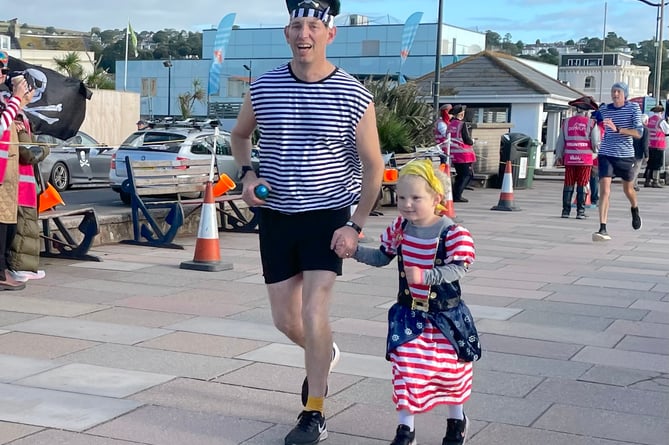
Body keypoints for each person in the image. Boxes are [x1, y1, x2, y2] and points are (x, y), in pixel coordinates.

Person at [229, 1, 384, 444]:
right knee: (286, 320)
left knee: (316, 311)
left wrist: (354, 225)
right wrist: (249, 173)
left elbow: (373, 167)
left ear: (329, 34)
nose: (304, 33)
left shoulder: (354, 94)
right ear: (286, 33)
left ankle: (314, 411)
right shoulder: (264, 87)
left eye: (314, 25)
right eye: (297, 25)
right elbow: (240, 136)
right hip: (277, 216)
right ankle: (325, 351)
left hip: (328, 216)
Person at [350, 159, 479, 445]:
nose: (407, 204)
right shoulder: (399, 228)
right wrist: (354, 252)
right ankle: (405, 429)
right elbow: (382, 257)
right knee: (406, 371)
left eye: (416, 198)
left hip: (445, 317)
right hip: (409, 316)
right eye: (401, 197)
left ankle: (456, 420)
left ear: (436, 198)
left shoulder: (453, 233)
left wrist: (427, 276)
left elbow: (459, 267)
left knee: (451, 373)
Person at [0, 53, 35, 289]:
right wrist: (16, 98)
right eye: (0, 71)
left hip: (6, 174)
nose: (3, 75)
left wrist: (20, 103)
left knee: (7, 224)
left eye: (4, 71)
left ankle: (3, 270)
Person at [592, 82, 643, 242]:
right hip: (606, 153)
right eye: (613, 91)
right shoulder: (605, 109)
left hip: (625, 155)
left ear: (624, 94)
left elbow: (639, 133)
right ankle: (602, 227)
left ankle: (634, 209)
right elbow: (594, 118)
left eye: (618, 92)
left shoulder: (633, 108)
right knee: (605, 190)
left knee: (628, 190)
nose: (615, 95)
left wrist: (618, 129)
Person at [7, 114, 49, 281]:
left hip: (26, 184)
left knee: (27, 227)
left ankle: (25, 267)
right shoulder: (16, 120)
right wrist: (45, 148)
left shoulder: (22, 119)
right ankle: (20, 267)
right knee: (24, 228)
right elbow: (30, 153)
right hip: (20, 185)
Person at [554, 95, 601, 219]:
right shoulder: (591, 123)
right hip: (585, 159)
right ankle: (580, 211)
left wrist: (559, 156)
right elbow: (596, 142)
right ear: (587, 111)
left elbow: (560, 142)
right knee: (583, 184)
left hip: (569, 158)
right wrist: (595, 152)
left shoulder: (566, 122)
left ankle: (565, 211)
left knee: (568, 183)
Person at [447, 105, 476, 203]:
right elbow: (467, 139)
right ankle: (457, 195)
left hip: (454, 154)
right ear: (462, 114)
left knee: (460, 175)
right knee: (467, 175)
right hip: (464, 154)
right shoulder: (462, 124)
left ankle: (455, 194)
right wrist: (472, 141)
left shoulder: (450, 124)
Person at [643, 104, 669, 188]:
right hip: (658, 145)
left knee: (649, 163)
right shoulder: (661, 121)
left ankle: (647, 180)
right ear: (661, 112)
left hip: (649, 145)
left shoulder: (649, 120)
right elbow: (667, 131)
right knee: (657, 164)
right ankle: (655, 181)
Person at [632, 114, 649, 191]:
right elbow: (645, 143)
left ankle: (635, 184)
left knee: (632, 169)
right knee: (636, 169)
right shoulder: (645, 129)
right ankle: (632, 185)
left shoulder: (633, 128)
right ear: (645, 121)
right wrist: (646, 155)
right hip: (638, 153)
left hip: (630, 151)